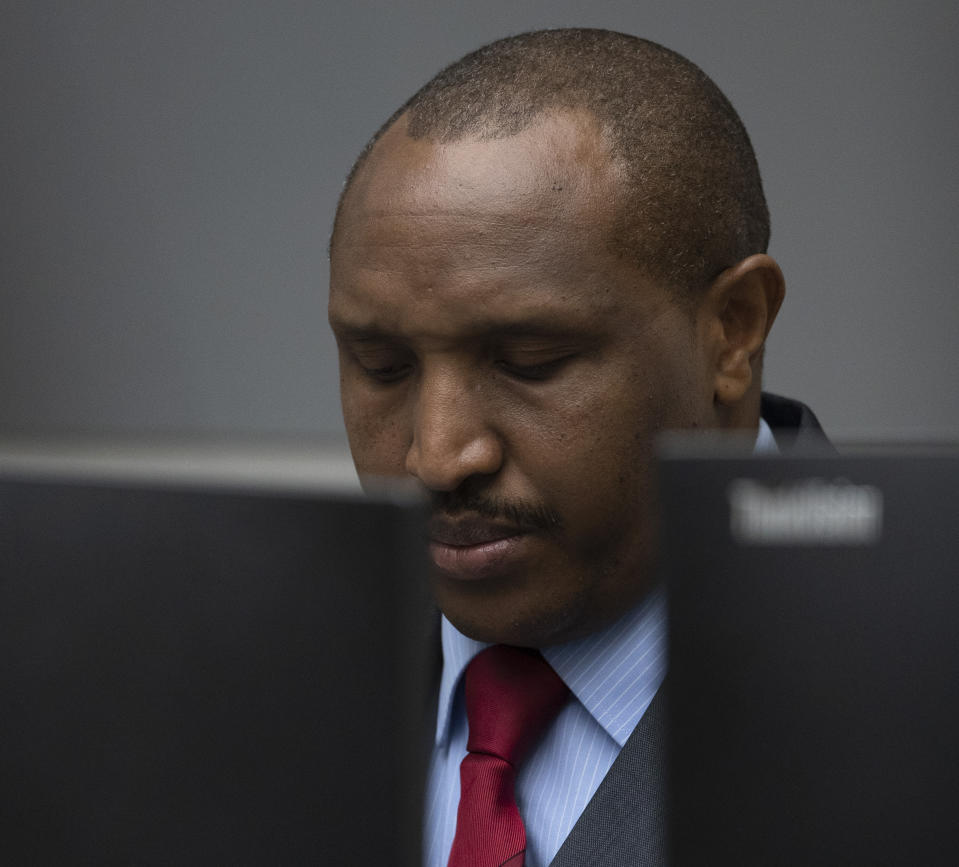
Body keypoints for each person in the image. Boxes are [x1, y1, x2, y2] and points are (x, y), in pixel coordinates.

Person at [328, 27, 828, 867]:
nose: (438, 455)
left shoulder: (915, 682)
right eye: (384, 367)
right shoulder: (228, 692)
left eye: (530, 362)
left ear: (732, 331)